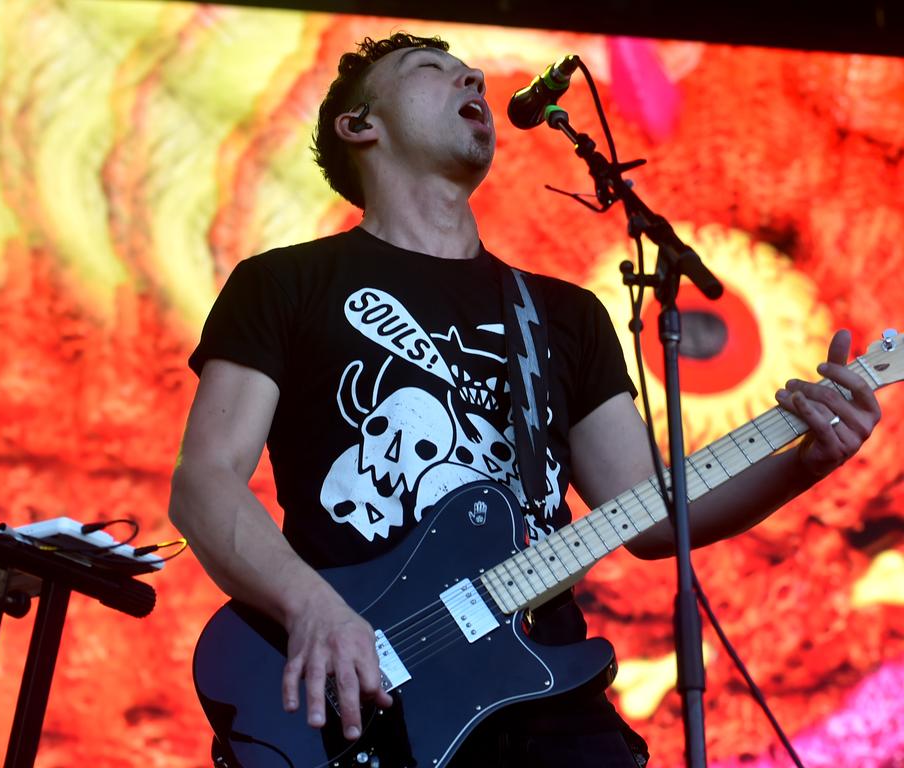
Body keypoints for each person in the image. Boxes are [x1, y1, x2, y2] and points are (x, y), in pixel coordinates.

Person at [168, 33, 881, 767]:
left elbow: (648, 513)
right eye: (431, 71)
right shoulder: (285, 284)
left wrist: (805, 463)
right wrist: (314, 611)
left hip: (543, 690)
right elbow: (204, 481)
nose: (471, 75)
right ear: (360, 125)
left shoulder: (563, 316)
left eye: (467, 69)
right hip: (364, 700)